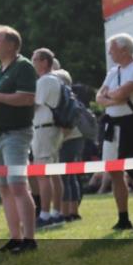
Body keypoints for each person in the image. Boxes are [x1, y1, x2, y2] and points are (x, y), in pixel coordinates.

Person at [0, 26, 39, 254]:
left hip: (14, 135)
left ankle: (29, 239)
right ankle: (15, 237)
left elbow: (27, 99)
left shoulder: (23, 66)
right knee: (4, 188)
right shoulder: (0, 69)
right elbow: (3, 99)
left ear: (12, 45)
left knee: (17, 185)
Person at [96, 34, 133, 232]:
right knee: (114, 172)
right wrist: (113, 98)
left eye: (112, 48)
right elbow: (99, 96)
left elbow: (121, 94)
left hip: (131, 125)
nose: (110, 52)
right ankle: (123, 218)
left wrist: (111, 96)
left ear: (124, 50)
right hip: (112, 125)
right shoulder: (113, 71)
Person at [31, 48, 65, 228]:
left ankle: (44, 215)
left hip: (44, 129)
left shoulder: (44, 81)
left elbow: (34, 105)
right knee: (54, 174)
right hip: (53, 129)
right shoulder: (56, 80)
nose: (33, 63)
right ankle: (56, 212)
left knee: (42, 174)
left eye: (35, 60)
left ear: (44, 62)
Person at [52, 69, 84, 222]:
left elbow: (66, 125)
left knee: (64, 177)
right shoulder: (72, 97)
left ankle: (65, 213)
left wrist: (57, 141)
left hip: (68, 140)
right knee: (70, 176)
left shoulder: (65, 99)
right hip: (76, 139)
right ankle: (73, 211)